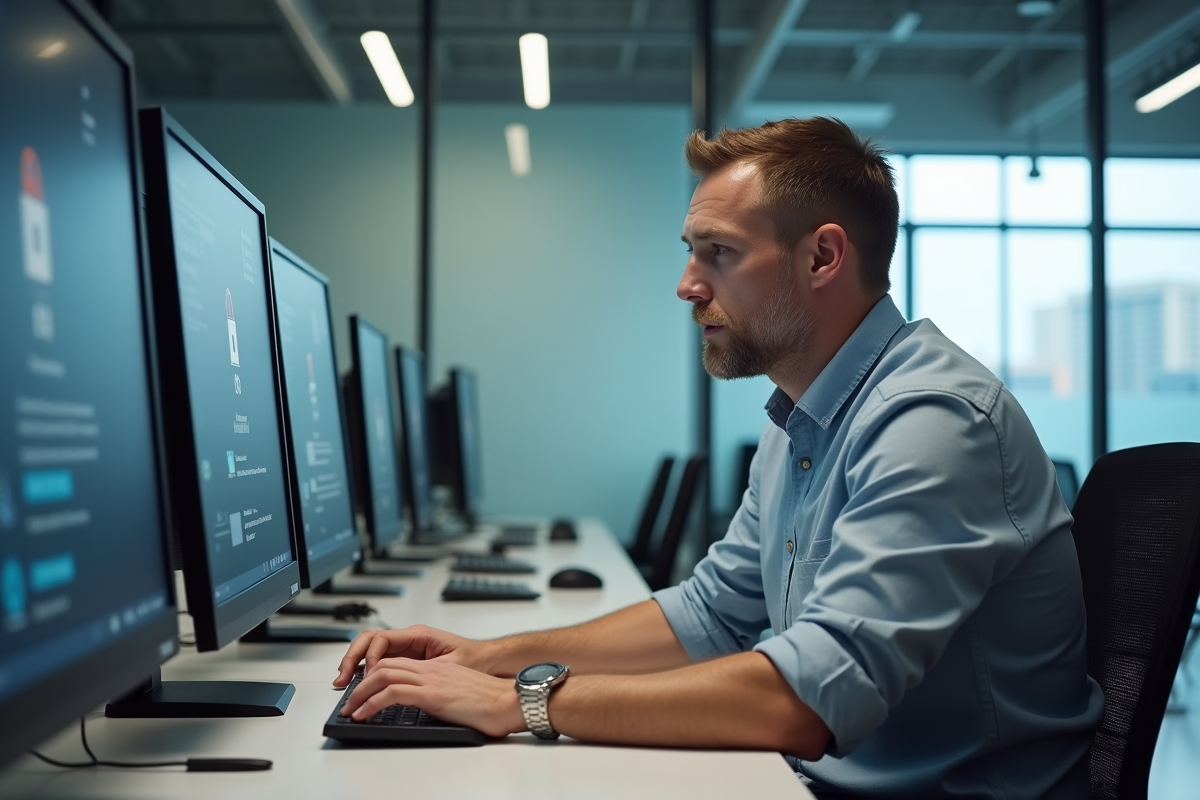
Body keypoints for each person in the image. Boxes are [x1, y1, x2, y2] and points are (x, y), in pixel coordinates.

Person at [332, 117, 1103, 798]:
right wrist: (490, 659)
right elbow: (712, 614)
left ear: (822, 257)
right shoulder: (802, 415)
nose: (686, 285)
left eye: (719, 253)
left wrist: (528, 701)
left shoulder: (934, 423)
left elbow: (807, 699)